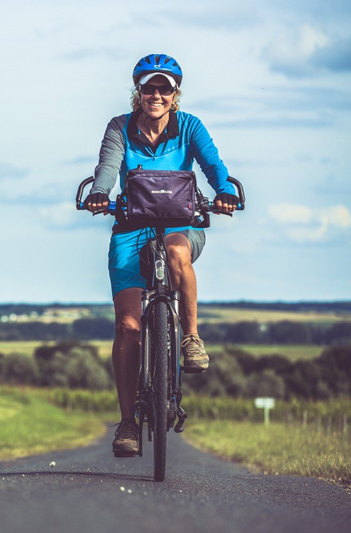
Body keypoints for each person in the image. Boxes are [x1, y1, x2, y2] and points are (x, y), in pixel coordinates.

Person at [83, 54, 239, 457]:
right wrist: (101, 192)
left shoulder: (190, 126)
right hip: (131, 228)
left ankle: (189, 338)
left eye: (163, 89)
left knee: (174, 252)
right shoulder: (120, 126)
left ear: (175, 95)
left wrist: (224, 191)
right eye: (148, 88)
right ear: (138, 92)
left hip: (181, 226)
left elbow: (213, 164)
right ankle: (128, 423)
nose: (155, 95)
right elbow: (108, 165)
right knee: (128, 327)